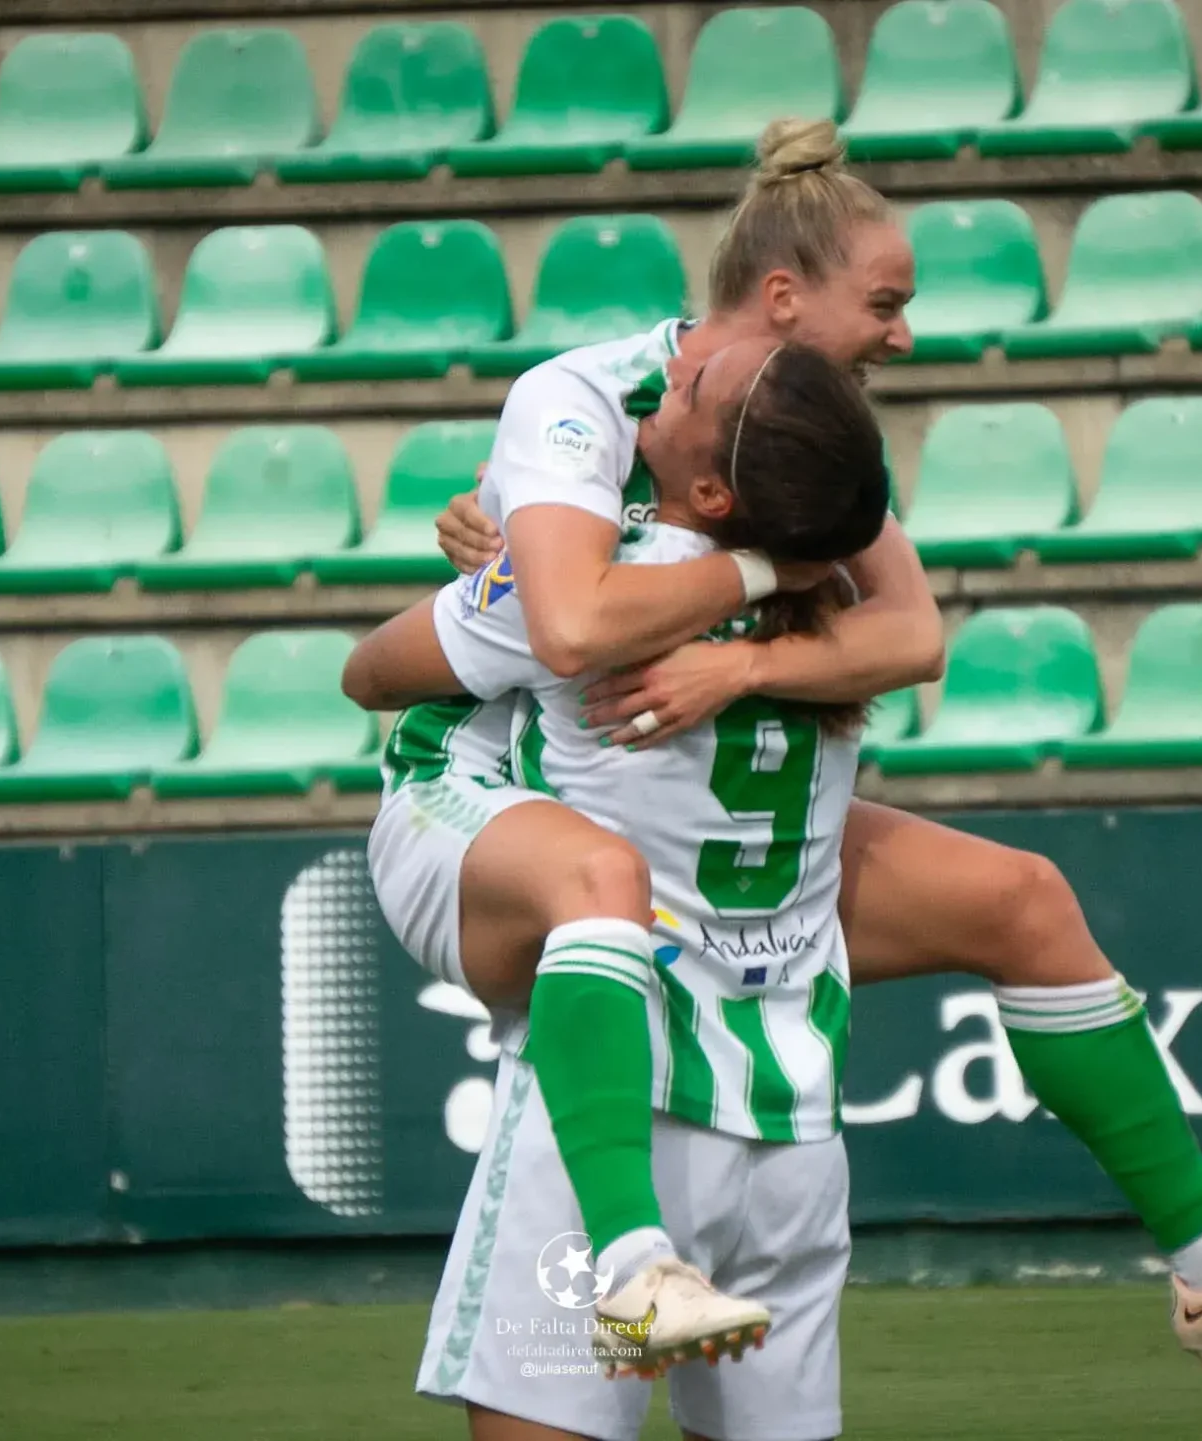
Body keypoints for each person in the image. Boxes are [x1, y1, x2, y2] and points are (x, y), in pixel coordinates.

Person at [424, 117, 1202, 1372]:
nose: (902, 334)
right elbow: (563, 625)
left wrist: (738, 656)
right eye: (884, 303)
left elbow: (910, 637)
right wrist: (716, 567)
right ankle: (628, 1256)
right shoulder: (592, 397)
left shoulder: (810, 434)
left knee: (1022, 899)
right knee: (615, 910)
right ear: (783, 298)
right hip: (576, 818)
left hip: (720, 823)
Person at [347, 335, 893, 1441]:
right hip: (786, 1111)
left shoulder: (610, 584)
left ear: (709, 487)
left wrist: (495, 559)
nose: (657, 381)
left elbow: (370, 672)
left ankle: (634, 1256)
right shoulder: (848, 611)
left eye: (686, 390)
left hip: (613, 1103)